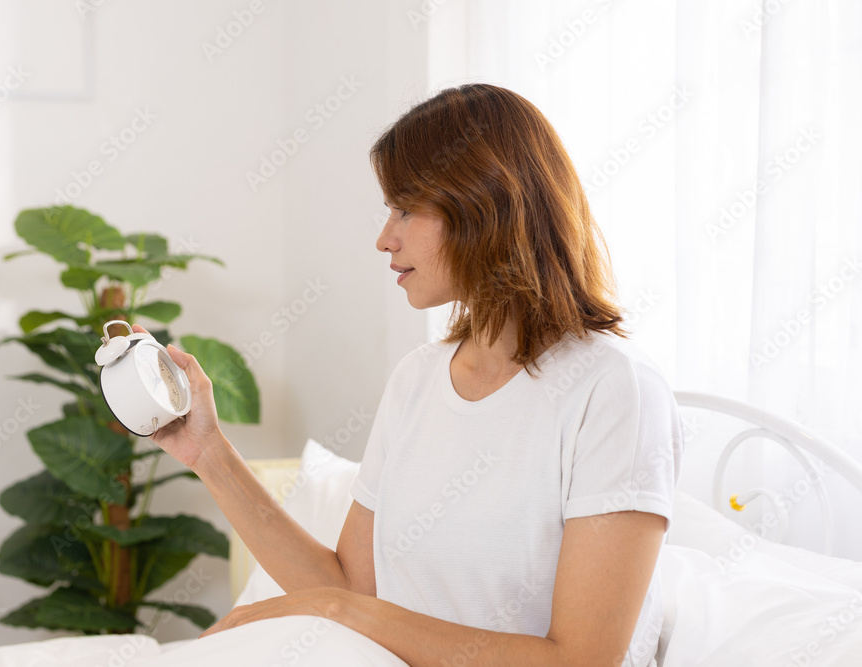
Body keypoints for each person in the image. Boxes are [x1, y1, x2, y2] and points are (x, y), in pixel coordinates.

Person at [138, 83, 684, 667]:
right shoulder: (419, 379)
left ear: (486, 205)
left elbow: (580, 660)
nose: (384, 239)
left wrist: (339, 611)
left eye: (405, 208)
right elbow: (352, 589)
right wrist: (209, 454)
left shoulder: (614, 389)